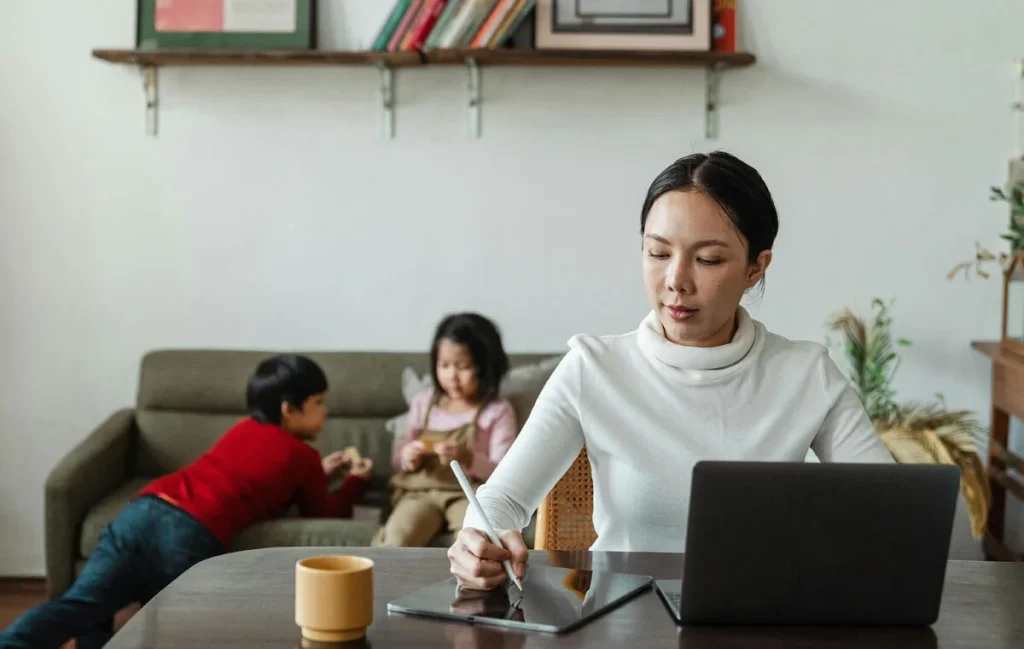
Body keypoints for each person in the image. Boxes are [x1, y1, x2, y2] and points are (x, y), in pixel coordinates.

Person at [446, 151, 896, 590]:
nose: (676, 280)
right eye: (658, 253)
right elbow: (502, 500)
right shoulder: (593, 368)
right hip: (623, 625)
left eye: (708, 260)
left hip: (758, 619)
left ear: (756, 267)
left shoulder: (805, 373)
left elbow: (891, 506)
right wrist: (479, 540)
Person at [0, 354, 373, 649]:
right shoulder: (303, 457)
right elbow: (323, 512)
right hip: (188, 534)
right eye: (319, 402)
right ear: (289, 409)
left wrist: (319, 473)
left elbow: (254, 474)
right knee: (190, 629)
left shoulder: (243, 429)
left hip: (144, 510)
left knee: (83, 606)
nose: (326, 412)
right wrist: (355, 481)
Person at [373, 313, 518, 547]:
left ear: (485, 367)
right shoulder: (424, 403)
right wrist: (408, 457)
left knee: (476, 543)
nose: (452, 376)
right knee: (397, 539)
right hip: (421, 491)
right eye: (444, 365)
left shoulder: (497, 411)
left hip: (468, 494)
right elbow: (398, 459)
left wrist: (468, 457)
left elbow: (504, 472)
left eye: (463, 367)